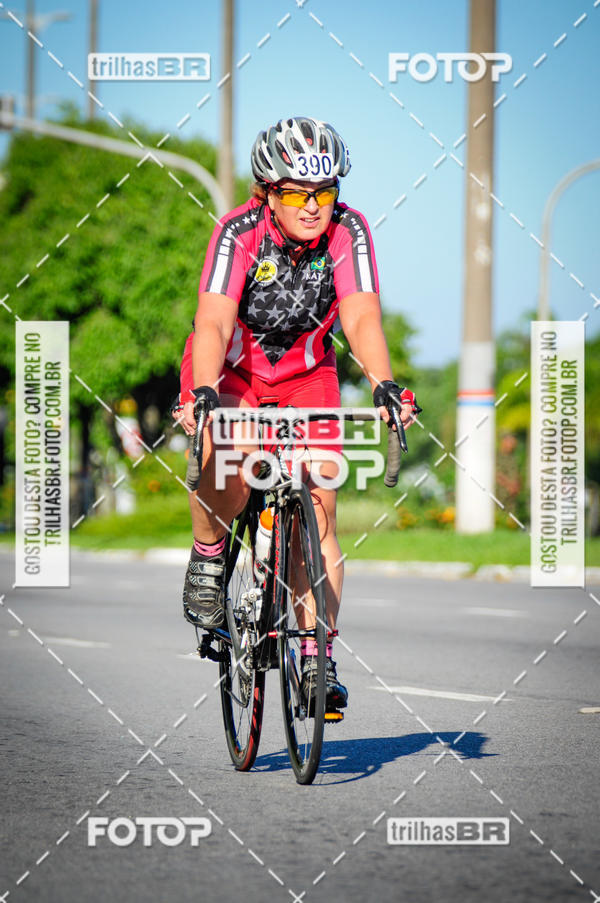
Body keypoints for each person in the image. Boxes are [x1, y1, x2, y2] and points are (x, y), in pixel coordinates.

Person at [174, 116, 419, 711]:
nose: (313, 206)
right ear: (268, 192)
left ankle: (316, 653)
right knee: (224, 464)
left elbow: (361, 318)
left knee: (320, 512)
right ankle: (210, 554)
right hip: (234, 373)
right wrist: (204, 390)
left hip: (309, 377)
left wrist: (384, 383)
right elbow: (213, 321)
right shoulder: (238, 231)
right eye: (296, 193)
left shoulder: (348, 231)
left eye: (325, 192)